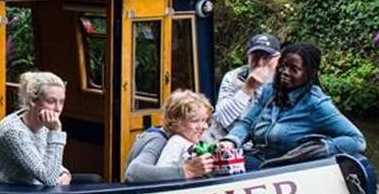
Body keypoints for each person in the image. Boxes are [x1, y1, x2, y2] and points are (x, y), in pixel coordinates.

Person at [219, 43, 366, 170]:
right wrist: (230, 141)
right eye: (283, 65)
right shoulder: (269, 91)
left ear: (310, 73)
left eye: (293, 69)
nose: (284, 72)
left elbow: (357, 140)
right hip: (257, 160)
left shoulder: (317, 104)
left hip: (288, 173)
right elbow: (246, 123)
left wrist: (316, 150)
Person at [0, 72, 70, 186]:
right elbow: (49, 179)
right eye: (51, 101)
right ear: (33, 101)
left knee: (94, 179)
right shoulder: (13, 132)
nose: (58, 108)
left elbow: (50, 162)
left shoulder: (45, 124)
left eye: (61, 102)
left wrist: (65, 174)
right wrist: (55, 132)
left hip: (36, 186)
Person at [208, 33, 280, 141]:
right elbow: (221, 119)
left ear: (278, 58)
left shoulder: (286, 81)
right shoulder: (233, 77)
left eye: (266, 58)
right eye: (255, 57)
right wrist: (247, 90)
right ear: (248, 57)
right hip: (227, 140)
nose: (260, 63)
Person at [155, 90, 215, 173]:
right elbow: (162, 172)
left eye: (204, 120)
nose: (204, 126)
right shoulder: (177, 142)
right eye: (195, 121)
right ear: (176, 122)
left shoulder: (197, 140)